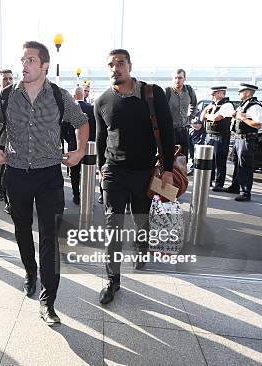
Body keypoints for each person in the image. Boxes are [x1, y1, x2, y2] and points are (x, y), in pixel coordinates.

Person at [0, 41, 89, 325]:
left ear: (44, 66)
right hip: (16, 174)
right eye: (22, 59)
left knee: (50, 237)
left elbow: (82, 121)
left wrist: (80, 151)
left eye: (30, 60)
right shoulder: (6, 96)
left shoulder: (60, 97)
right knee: (23, 229)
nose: (24, 65)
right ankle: (30, 271)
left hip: (50, 175)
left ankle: (48, 301)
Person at [95, 49, 175, 305]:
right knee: (112, 226)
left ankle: (142, 248)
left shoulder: (152, 93)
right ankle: (112, 280)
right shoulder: (102, 100)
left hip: (144, 171)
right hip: (114, 172)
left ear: (129, 65)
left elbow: (166, 132)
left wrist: (169, 169)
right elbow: (100, 139)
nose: (115, 68)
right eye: (110, 64)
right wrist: (101, 169)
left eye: (120, 63)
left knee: (141, 220)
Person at [222, 83, 262, 201]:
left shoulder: (255, 106)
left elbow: (258, 124)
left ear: (248, 92)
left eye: (241, 91)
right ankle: (235, 186)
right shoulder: (244, 104)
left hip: (247, 139)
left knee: (245, 165)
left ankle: (246, 192)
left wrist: (243, 118)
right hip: (239, 137)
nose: (238, 93)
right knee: (237, 164)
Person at [201, 86, 234, 191]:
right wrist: (206, 111)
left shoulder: (227, 105)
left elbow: (217, 118)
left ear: (221, 93)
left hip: (220, 137)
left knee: (219, 161)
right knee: (209, 161)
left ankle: (219, 184)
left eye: (214, 93)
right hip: (209, 136)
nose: (212, 95)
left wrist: (208, 115)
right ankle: (209, 181)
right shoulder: (212, 105)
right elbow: (202, 117)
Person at [0, 69, 14, 212]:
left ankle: (11, 198)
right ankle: (4, 196)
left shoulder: (18, 96)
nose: (8, 81)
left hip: (16, 142)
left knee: (11, 172)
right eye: (5, 79)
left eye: (10, 78)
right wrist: (1, 126)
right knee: (1, 170)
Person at [165, 69, 197, 158]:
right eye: (175, 78)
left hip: (184, 130)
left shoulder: (189, 91)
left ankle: (183, 172)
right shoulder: (167, 91)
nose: (177, 80)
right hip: (170, 131)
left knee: (184, 158)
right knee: (170, 159)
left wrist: (190, 117)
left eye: (180, 78)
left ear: (184, 79)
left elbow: (194, 105)